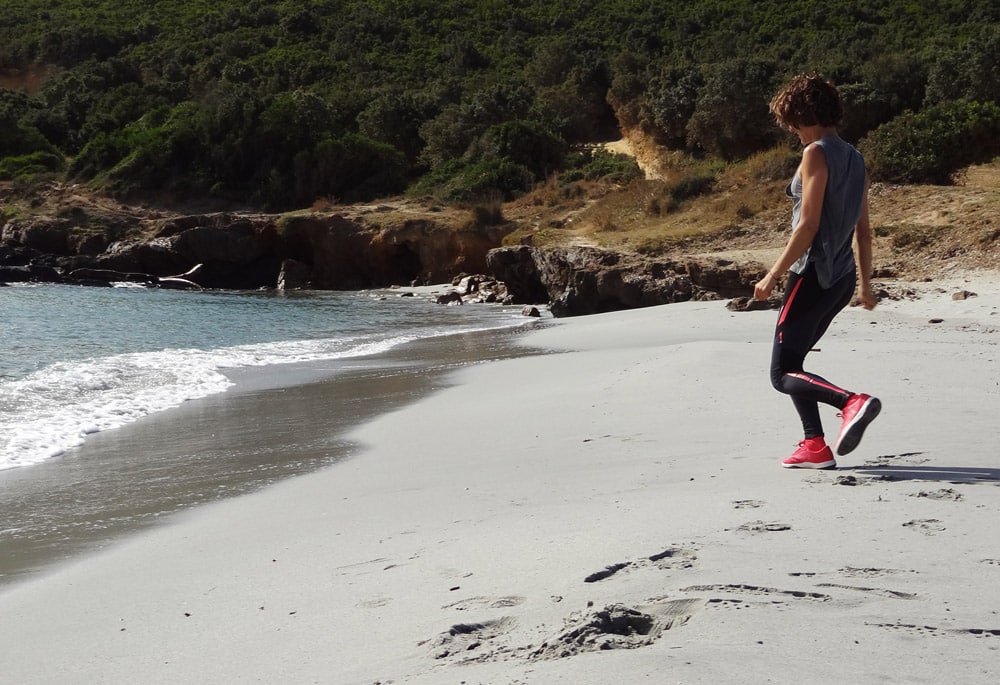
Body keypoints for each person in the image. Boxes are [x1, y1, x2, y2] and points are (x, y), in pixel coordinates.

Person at [753, 72, 881, 469]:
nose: (792, 130)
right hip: (839, 281)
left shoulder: (816, 154)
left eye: (792, 122)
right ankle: (815, 445)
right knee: (796, 361)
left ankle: (852, 402)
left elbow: (807, 226)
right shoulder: (856, 157)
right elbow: (863, 229)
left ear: (805, 114)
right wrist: (864, 284)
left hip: (811, 276)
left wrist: (773, 274)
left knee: (781, 373)